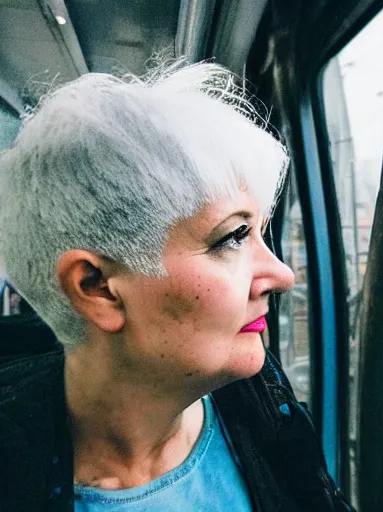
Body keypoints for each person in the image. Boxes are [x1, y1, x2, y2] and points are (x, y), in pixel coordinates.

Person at [0, 61, 353, 511]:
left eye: (260, 231)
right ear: (98, 288)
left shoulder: (263, 406)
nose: (282, 276)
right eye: (233, 238)